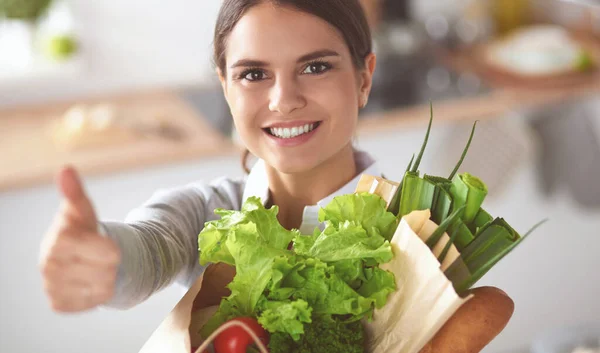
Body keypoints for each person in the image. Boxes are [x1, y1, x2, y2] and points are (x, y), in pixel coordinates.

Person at [38, 0, 514, 352]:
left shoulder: (419, 238)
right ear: (225, 88)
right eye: (253, 75)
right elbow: (152, 244)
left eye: (316, 66)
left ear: (364, 78)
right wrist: (106, 261)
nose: (284, 100)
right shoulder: (207, 214)